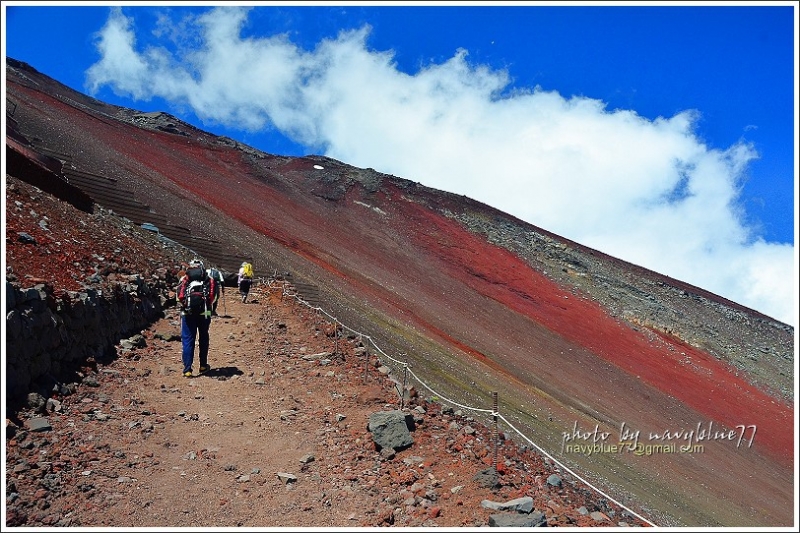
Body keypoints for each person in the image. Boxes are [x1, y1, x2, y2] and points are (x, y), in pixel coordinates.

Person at [176, 259, 217, 377]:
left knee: (188, 340)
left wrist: (186, 306)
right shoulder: (209, 279)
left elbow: (179, 297)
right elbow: (212, 297)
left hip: (187, 314)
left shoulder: (184, 279)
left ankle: (187, 369)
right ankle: (203, 365)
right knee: (203, 337)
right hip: (204, 313)